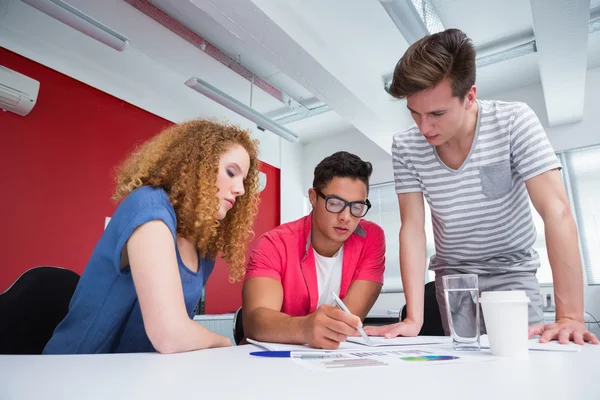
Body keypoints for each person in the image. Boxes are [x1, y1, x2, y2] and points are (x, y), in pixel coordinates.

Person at [365, 29, 598, 345]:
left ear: (469, 96)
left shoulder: (513, 121)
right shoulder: (406, 146)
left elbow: (556, 211)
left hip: (512, 275)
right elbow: (412, 229)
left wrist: (569, 316)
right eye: (414, 113)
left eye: (436, 113)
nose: (424, 128)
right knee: (467, 369)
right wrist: (413, 318)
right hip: (455, 281)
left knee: (522, 364)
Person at [43, 120, 261, 354]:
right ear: (198, 166)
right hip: (76, 372)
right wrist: (224, 343)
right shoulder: (148, 205)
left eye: (244, 180)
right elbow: (170, 334)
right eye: (231, 172)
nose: (241, 189)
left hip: (140, 378)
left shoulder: (204, 248)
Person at [242, 151, 385, 349]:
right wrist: (303, 328)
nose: (346, 217)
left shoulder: (371, 238)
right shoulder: (274, 244)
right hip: (272, 362)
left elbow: (344, 323)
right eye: (335, 203)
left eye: (357, 207)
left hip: (330, 358)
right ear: (313, 197)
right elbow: (255, 322)